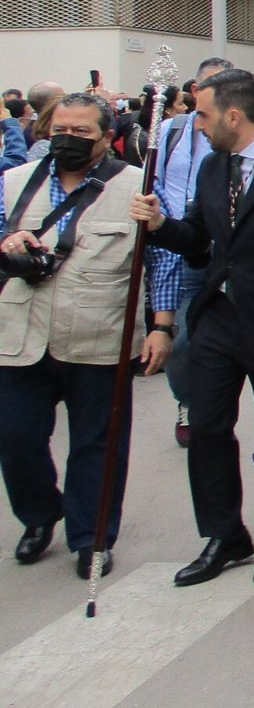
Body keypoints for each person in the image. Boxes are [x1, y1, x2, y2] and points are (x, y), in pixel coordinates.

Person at [129, 68, 254, 588]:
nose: (197, 125)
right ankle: (224, 535)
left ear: (233, 116)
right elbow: (198, 239)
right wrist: (160, 226)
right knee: (208, 427)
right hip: (218, 315)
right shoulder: (213, 167)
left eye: (203, 115)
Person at [0, 93, 173, 577]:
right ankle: (39, 514)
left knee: (99, 443)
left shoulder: (137, 185)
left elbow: (162, 257)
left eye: (81, 132)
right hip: (20, 333)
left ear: (105, 136)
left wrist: (161, 326)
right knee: (15, 437)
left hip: (100, 335)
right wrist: (8, 242)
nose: (68, 140)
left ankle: (91, 536)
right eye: (60, 130)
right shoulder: (13, 182)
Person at [148, 57, 233, 448]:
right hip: (177, 244)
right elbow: (153, 179)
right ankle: (188, 400)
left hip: (222, 250)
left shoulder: (235, 135)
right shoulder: (171, 130)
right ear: (195, 90)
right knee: (180, 338)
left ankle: (216, 411)